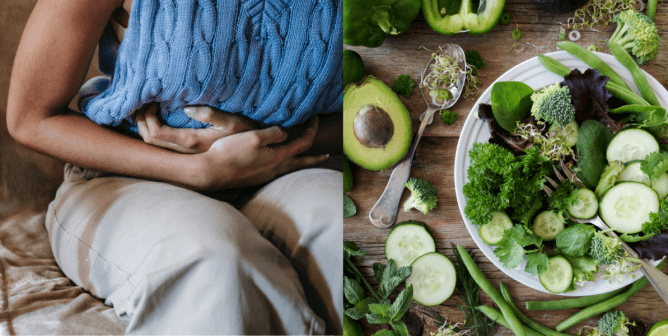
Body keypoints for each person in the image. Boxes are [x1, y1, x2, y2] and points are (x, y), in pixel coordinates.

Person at [6, 0, 343, 334]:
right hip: (129, 178)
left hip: (283, 169)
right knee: (216, 263)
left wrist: (270, 142)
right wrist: (198, 170)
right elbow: (31, 117)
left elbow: (379, 107)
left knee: (343, 235)